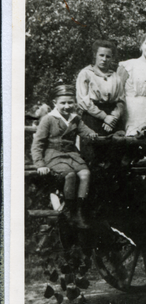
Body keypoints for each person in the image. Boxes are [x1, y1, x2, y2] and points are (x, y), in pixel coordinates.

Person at [31, 85, 99, 229]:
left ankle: (78, 210)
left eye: (70, 102)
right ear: (54, 103)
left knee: (86, 173)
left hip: (72, 155)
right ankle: (69, 211)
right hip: (53, 155)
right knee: (70, 175)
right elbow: (37, 144)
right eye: (63, 103)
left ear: (74, 103)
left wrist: (91, 134)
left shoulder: (75, 119)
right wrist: (40, 164)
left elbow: (85, 130)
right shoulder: (48, 119)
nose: (67, 106)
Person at [76, 40, 125, 135]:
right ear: (95, 55)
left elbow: (121, 101)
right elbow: (83, 101)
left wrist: (113, 117)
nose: (104, 59)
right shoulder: (86, 74)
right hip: (92, 117)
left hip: (113, 118)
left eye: (108, 56)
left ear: (112, 58)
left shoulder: (115, 76)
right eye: (101, 55)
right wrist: (104, 117)